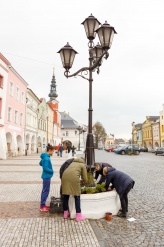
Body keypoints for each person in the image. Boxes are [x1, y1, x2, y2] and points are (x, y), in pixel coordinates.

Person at [39, 144, 55, 212]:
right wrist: (52, 171)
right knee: (45, 191)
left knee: (45, 190)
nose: (53, 153)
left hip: (46, 176)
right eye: (53, 151)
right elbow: (45, 168)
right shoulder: (46, 158)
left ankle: (43, 205)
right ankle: (42, 206)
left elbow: (40, 163)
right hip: (46, 176)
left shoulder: (45, 157)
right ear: (50, 150)